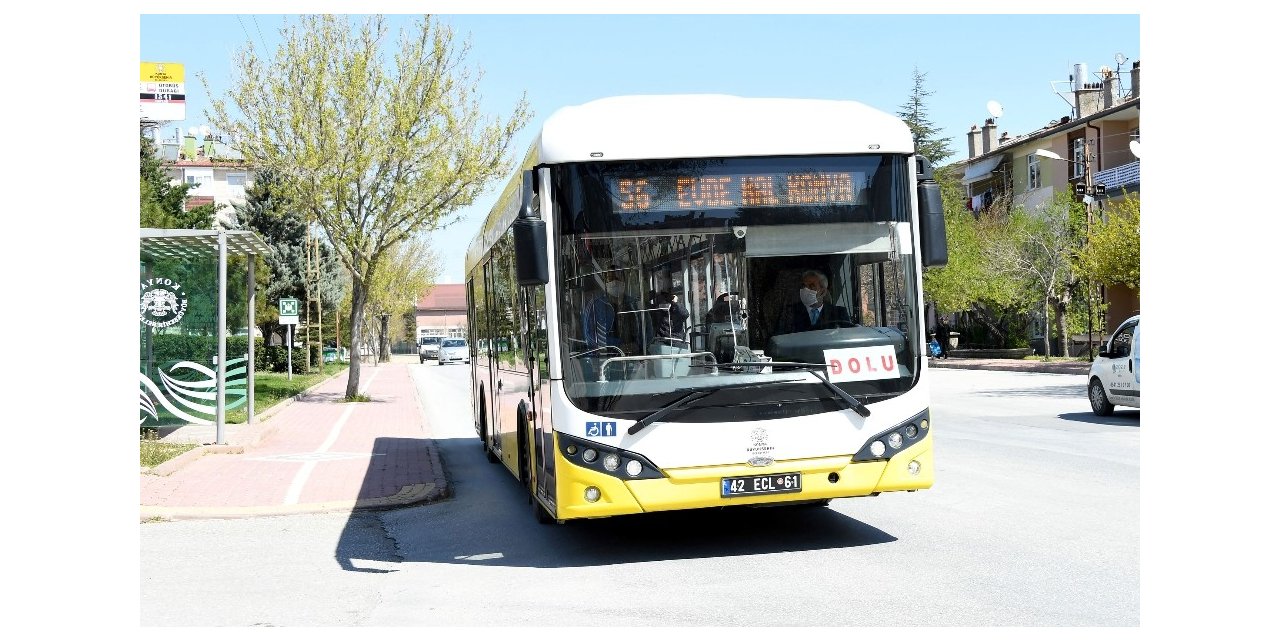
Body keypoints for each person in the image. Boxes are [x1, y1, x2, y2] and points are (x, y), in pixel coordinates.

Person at [775, 269, 852, 334]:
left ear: (823, 292)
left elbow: (846, 339)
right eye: (803, 286)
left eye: (811, 286)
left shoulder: (839, 313)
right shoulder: (789, 312)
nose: (805, 289)